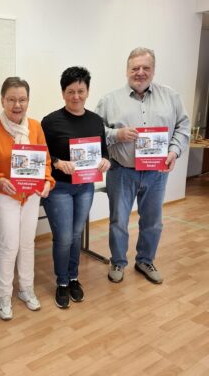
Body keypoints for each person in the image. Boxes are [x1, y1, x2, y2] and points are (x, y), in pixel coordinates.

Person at [95, 47, 190, 284]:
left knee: (153, 221)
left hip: (157, 173)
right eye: (135, 68)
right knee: (119, 221)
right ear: (127, 70)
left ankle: (145, 260)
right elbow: (94, 132)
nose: (140, 72)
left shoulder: (171, 97)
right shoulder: (109, 100)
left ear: (153, 70)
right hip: (121, 171)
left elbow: (183, 126)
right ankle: (118, 261)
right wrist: (116, 134)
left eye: (145, 68)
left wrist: (174, 151)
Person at [0, 77, 55, 320]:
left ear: (28, 101)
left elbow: (45, 160)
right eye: (11, 99)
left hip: (31, 195)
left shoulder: (35, 127)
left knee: (27, 243)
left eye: (22, 100)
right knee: (9, 245)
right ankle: (4, 295)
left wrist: (47, 181)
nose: (17, 105)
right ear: (2, 100)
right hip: (6, 194)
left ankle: (26, 289)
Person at [41, 67, 110, 309]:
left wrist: (106, 161)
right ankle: (61, 282)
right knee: (63, 237)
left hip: (85, 187)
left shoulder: (95, 121)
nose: (76, 96)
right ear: (63, 93)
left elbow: (104, 152)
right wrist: (57, 162)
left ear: (87, 91)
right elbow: (42, 156)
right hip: (59, 187)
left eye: (81, 91)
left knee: (75, 234)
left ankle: (73, 277)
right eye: (70, 91)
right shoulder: (50, 121)